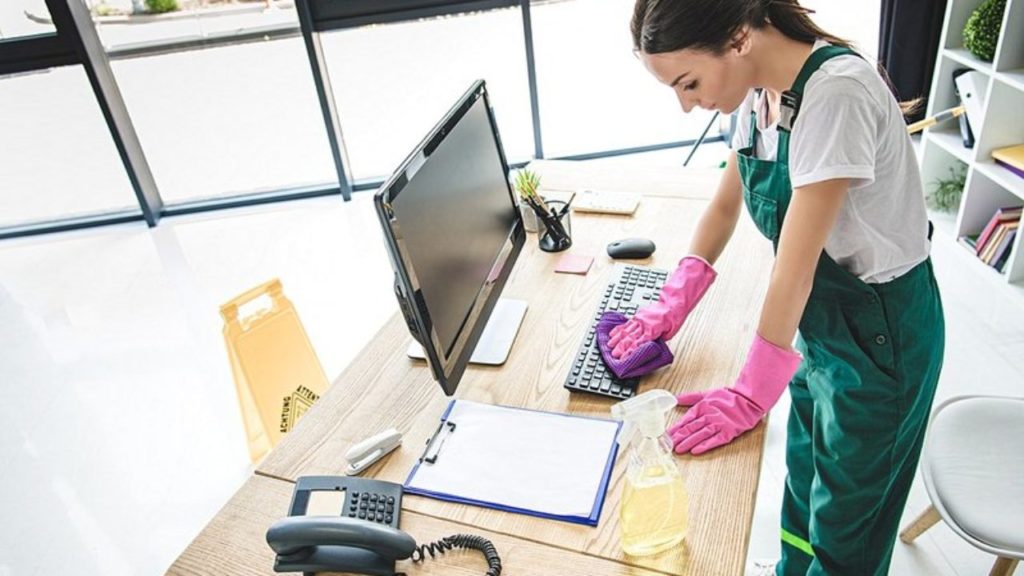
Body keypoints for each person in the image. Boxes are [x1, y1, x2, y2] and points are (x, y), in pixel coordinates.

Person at [609, 1, 945, 574]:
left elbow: (795, 265)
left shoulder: (835, 95)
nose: (687, 104)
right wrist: (670, 304)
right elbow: (723, 206)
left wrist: (750, 391)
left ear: (739, 38)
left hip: (881, 335)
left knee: (848, 531)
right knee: (805, 481)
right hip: (819, 327)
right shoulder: (757, 97)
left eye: (689, 83)